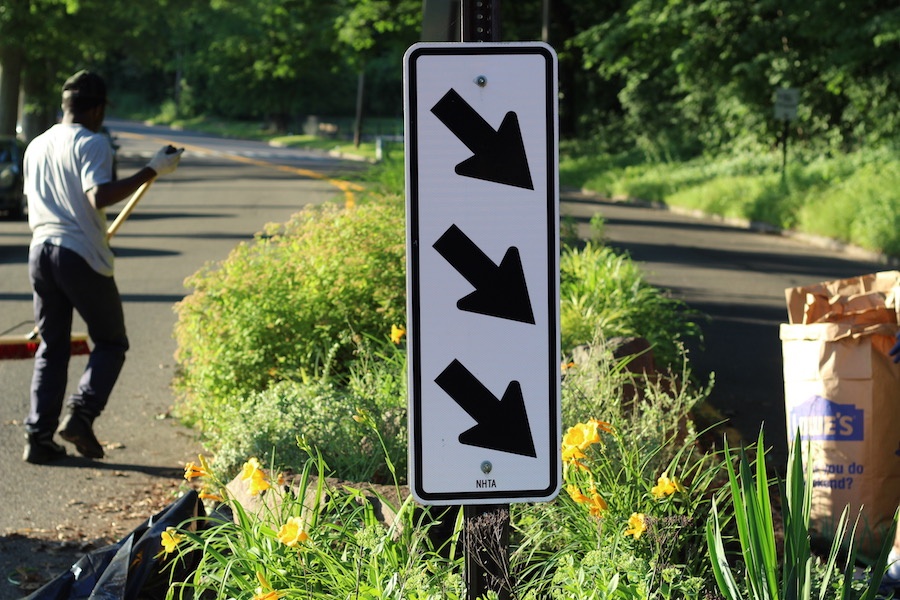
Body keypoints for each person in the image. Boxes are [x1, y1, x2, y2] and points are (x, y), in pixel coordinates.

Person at [22, 70, 183, 464]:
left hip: (40, 251)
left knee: (52, 346)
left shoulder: (37, 145)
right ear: (95, 109)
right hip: (79, 255)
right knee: (111, 342)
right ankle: (81, 416)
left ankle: (38, 437)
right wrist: (153, 170)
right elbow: (98, 197)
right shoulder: (93, 143)